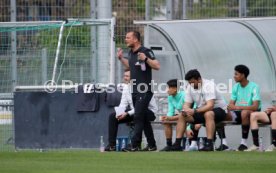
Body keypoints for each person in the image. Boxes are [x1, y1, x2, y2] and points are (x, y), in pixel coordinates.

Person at [117, 31, 160, 151]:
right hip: (135, 90)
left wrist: (146, 59)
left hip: (144, 89)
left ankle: (135, 145)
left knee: (138, 116)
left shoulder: (145, 51)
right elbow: (130, 66)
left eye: (128, 37)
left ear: (135, 39)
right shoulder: (131, 53)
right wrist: (121, 58)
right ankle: (152, 145)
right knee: (143, 117)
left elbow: (157, 66)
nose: (126, 39)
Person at [170, 69, 228, 151]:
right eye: (189, 82)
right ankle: (177, 144)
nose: (191, 84)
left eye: (193, 82)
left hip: (220, 110)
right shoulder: (190, 87)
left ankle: (209, 143)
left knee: (208, 113)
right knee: (182, 116)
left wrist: (194, 111)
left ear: (199, 79)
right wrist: (186, 110)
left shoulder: (209, 85)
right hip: (202, 111)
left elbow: (210, 106)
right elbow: (186, 104)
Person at [104, 70, 158, 151]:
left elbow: (141, 107)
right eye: (124, 76)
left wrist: (127, 113)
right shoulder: (126, 87)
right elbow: (123, 104)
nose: (125, 78)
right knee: (112, 117)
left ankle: (136, 145)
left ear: (134, 78)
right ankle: (112, 145)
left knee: (141, 115)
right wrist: (119, 113)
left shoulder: (142, 87)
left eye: (127, 76)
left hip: (149, 112)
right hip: (135, 112)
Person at [159, 79, 202, 151]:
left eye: (168, 88)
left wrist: (188, 128)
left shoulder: (184, 95)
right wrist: (167, 117)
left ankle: (178, 144)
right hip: (182, 115)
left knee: (179, 118)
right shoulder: (170, 97)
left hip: (192, 114)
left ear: (175, 89)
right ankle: (169, 145)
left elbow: (188, 113)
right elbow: (170, 111)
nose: (167, 90)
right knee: (166, 122)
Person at [227, 65, 261, 151]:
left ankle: (243, 143)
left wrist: (237, 107)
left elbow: (255, 106)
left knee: (244, 112)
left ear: (243, 75)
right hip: (240, 112)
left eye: (236, 74)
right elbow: (231, 105)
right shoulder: (236, 87)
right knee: (222, 114)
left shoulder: (254, 86)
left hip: (254, 112)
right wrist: (231, 107)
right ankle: (223, 143)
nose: (234, 76)